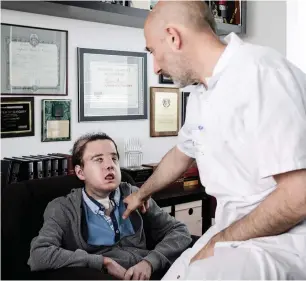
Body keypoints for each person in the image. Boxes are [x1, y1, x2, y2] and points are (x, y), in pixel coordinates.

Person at [123, 0, 306, 279]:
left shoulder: (262, 74)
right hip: (231, 232)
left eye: (153, 52)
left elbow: (298, 196)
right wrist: (140, 193)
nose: (156, 66)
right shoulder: (201, 94)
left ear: (173, 37)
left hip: (282, 242)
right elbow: (182, 154)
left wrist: (217, 242)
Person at [28, 133, 192, 280]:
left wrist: (150, 262)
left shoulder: (134, 194)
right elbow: (39, 255)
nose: (109, 165)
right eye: (98, 159)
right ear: (80, 172)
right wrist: (103, 262)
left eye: (113, 158)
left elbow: (179, 231)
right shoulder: (63, 208)